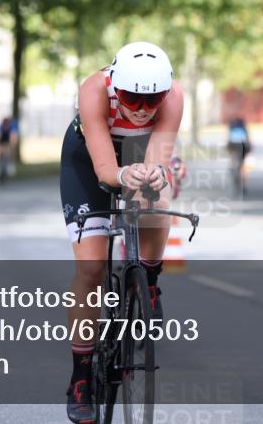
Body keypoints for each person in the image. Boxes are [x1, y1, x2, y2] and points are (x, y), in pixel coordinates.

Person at [60, 41, 183, 423]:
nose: (143, 108)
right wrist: (121, 175)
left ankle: (148, 275)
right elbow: (103, 170)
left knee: (156, 197)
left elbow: (157, 159)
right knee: (92, 267)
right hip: (90, 159)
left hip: (139, 150)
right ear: (115, 84)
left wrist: (150, 176)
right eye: (132, 97)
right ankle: (81, 377)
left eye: (153, 100)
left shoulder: (174, 98)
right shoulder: (94, 89)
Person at [227, 115, 251, 196]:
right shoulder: (243, 127)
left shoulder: (232, 126)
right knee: (243, 166)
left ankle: (233, 168)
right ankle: (244, 185)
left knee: (233, 160)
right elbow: (248, 138)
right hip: (242, 145)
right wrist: (249, 149)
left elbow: (228, 138)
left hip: (233, 144)